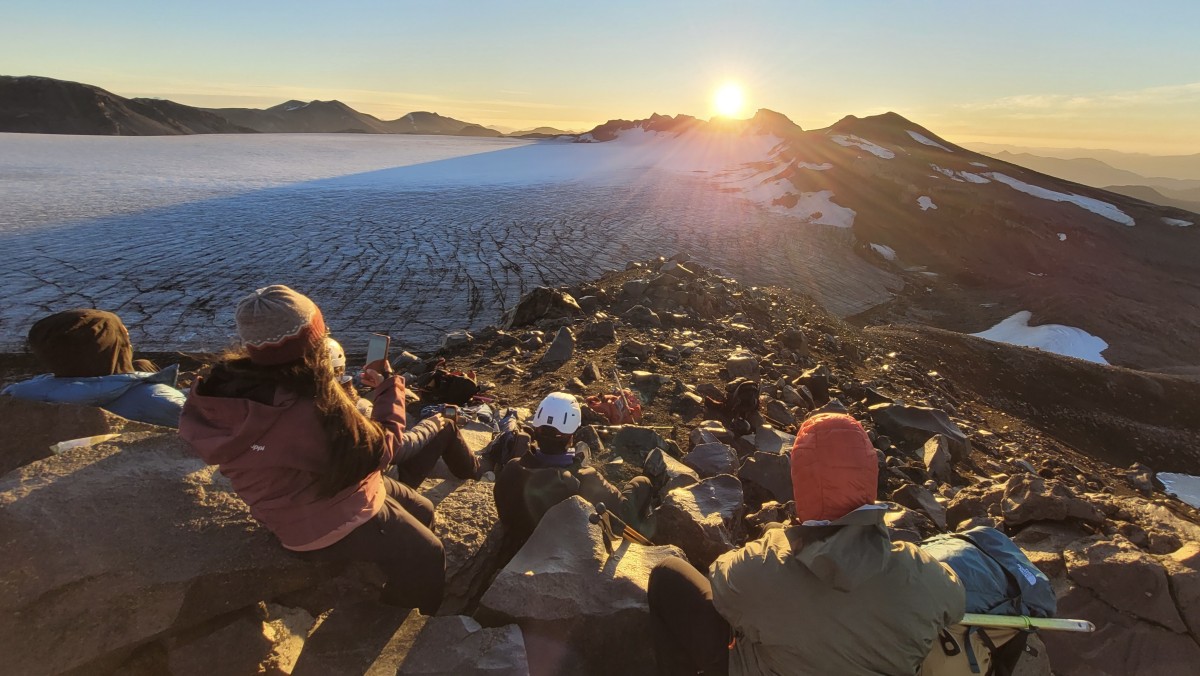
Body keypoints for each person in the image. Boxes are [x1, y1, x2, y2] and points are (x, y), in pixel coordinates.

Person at [178, 285, 475, 613]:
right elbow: (382, 450)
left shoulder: (226, 390)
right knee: (429, 553)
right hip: (323, 521)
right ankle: (398, 618)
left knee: (423, 509)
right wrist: (390, 389)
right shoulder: (311, 406)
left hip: (303, 497)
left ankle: (390, 569)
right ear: (310, 341)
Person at [647, 412, 965, 675]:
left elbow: (721, 580)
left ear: (801, 480)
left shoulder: (764, 561)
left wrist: (776, 536)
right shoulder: (922, 572)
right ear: (869, 474)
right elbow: (956, 602)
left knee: (667, 574)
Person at [493, 391, 665, 543]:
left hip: (522, 544)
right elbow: (622, 513)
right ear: (571, 435)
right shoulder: (583, 480)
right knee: (642, 482)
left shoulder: (512, 468)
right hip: (563, 550)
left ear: (536, 428)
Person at [2, 309, 186, 427]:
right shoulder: (157, 399)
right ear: (111, 345)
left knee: (142, 364)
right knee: (144, 365)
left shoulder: (20, 393)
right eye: (122, 336)